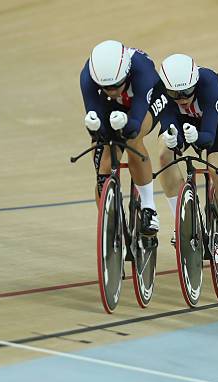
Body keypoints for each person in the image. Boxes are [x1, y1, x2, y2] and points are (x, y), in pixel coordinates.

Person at [156, 54, 218, 265]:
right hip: (184, 120)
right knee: (163, 155)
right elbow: (168, 120)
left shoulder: (210, 86)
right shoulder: (163, 92)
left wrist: (198, 138)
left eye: (186, 91)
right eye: (174, 94)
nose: (182, 97)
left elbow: (209, 137)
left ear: (194, 83)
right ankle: (181, 219)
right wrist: (171, 136)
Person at [80, 40, 169, 237]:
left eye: (116, 85)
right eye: (106, 87)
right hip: (114, 106)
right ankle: (110, 224)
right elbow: (97, 121)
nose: (112, 90)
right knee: (101, 151)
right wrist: (96, 129)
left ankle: (148, 207)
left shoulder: (141, 69)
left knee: (132, 139)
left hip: (148, 99)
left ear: (126, 73)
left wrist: (126, 124)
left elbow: (135, 122)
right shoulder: (87, 77)